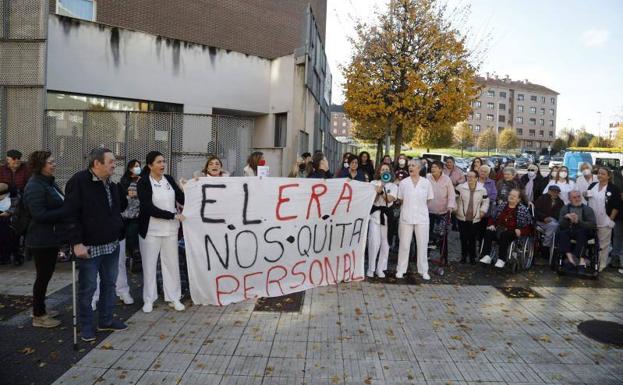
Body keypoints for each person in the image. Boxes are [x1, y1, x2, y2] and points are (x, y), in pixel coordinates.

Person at [65, 148, 128, 342]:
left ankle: (106, 320)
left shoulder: (111, 183)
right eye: (110, 161)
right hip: (89, 247)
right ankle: (86, 325)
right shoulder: (79, 181)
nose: (114, 164)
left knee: (109, 284)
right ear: (97, 163)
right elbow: (70, 215)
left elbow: (120, 208)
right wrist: (76, 243)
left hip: (111, 244)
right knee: (88, 288)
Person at [137, 151, 186, 313]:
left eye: (163, 161)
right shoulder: (143, 182)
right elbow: (147, 207)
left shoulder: (169, 179)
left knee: (171, 264)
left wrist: (191, 186)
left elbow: (181, 198)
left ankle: (174, 298)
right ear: (150, 165)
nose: (162, 165)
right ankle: (149, 299)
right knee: (149, 265)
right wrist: (172, 215)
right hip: (151, 230)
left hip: (171, 230)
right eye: (158, 162)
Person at [22, 152, 66, 328]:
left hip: (51, 236)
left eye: (53, 161)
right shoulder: (34, 185)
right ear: (40, 165)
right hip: (41, 239)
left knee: (46, 276)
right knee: (42, 277)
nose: (53, 164)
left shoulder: (49, 182)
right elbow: (38, 214)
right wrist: (65, 212)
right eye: (50, 162)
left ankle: (40, 308)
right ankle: (38, 315)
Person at [396, 159, 434, 280]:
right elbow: (401, 199)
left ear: (419, 168)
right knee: (404, 245)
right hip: (406, 217)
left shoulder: (426, 183)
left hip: (422, 218)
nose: (410, 168)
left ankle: (423, 271)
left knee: (422, 245)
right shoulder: (404, 183)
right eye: (409, 166)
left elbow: (429, 199)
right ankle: (401, 269)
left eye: (413, 166)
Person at [480, 189, 532, 268]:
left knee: (505, 235)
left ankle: (501, 259)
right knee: (488, 231)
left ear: (519, 199)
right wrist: (492, 224)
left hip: (512, 232)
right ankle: (486, 256)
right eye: (510, 195)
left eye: (514, 196)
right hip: (499, 229)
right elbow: (493, 217)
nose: (511, 197)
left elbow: (529, 226)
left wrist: (521, 231)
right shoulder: (502, 205)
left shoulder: (523, 210)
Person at [585, 167, 622, 272]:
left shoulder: (613, 188)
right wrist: (584, 195)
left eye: (603, 174)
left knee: (603, 244)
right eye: (599, 173)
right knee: (590, 241)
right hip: (592, 218)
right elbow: (587, 197)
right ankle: (591, 261)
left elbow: (616, 206)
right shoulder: (592, 185)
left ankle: (601, 264)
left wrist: (611, 219)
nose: (600, 175)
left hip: (605, 219)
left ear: (608, 176)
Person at [367, 163, 398, 278]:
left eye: (387, 169)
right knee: (374, 242)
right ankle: (371, 268)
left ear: (390, 172)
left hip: (387, 217)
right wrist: (378, 190)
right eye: (382, 169)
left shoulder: (394, 186)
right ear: (379, 171)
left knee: (385, 243)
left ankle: (380, 268)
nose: (384, 171)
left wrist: (382, 189)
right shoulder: (373, 183)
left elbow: (389, 199)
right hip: (375, 215)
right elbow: (372, 199)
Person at [455, 171, 489, 264]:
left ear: (476, 178)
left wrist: (482, 211)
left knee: (472, 239)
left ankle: (472, 258)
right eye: (468, 176)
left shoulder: (482, 189)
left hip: (475, 218)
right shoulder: (460, 187)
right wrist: (455, 208)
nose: (469, 178)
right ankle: (463, 256)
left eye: (472, 177)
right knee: (463, 238)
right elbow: (453, 197)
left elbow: (486, 201)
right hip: (462, 217)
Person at [558, 190, 597, 268]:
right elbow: (561, 224)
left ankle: (581, 259)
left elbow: (592, 224)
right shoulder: (565, 208)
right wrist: (566, 218)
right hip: (569, 230)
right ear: (569, 199)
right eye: (574, 197)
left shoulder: (587, 209)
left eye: (579, 197)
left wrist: (579, 222)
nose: (577, 199)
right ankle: (570, 259)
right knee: (562, 233)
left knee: (581, 232)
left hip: (584, 230)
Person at [427, 161, 456, 263]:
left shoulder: (446, 179)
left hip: (443, 212)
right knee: (428, 234)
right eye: (432, 167)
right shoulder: (427, 178)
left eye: (435, 167)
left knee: (442, 236)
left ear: (440, 169)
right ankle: (426, 255)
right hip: (429, 211)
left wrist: (450, 207)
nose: (433, 169)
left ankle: (444, 257)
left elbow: (451, 195)